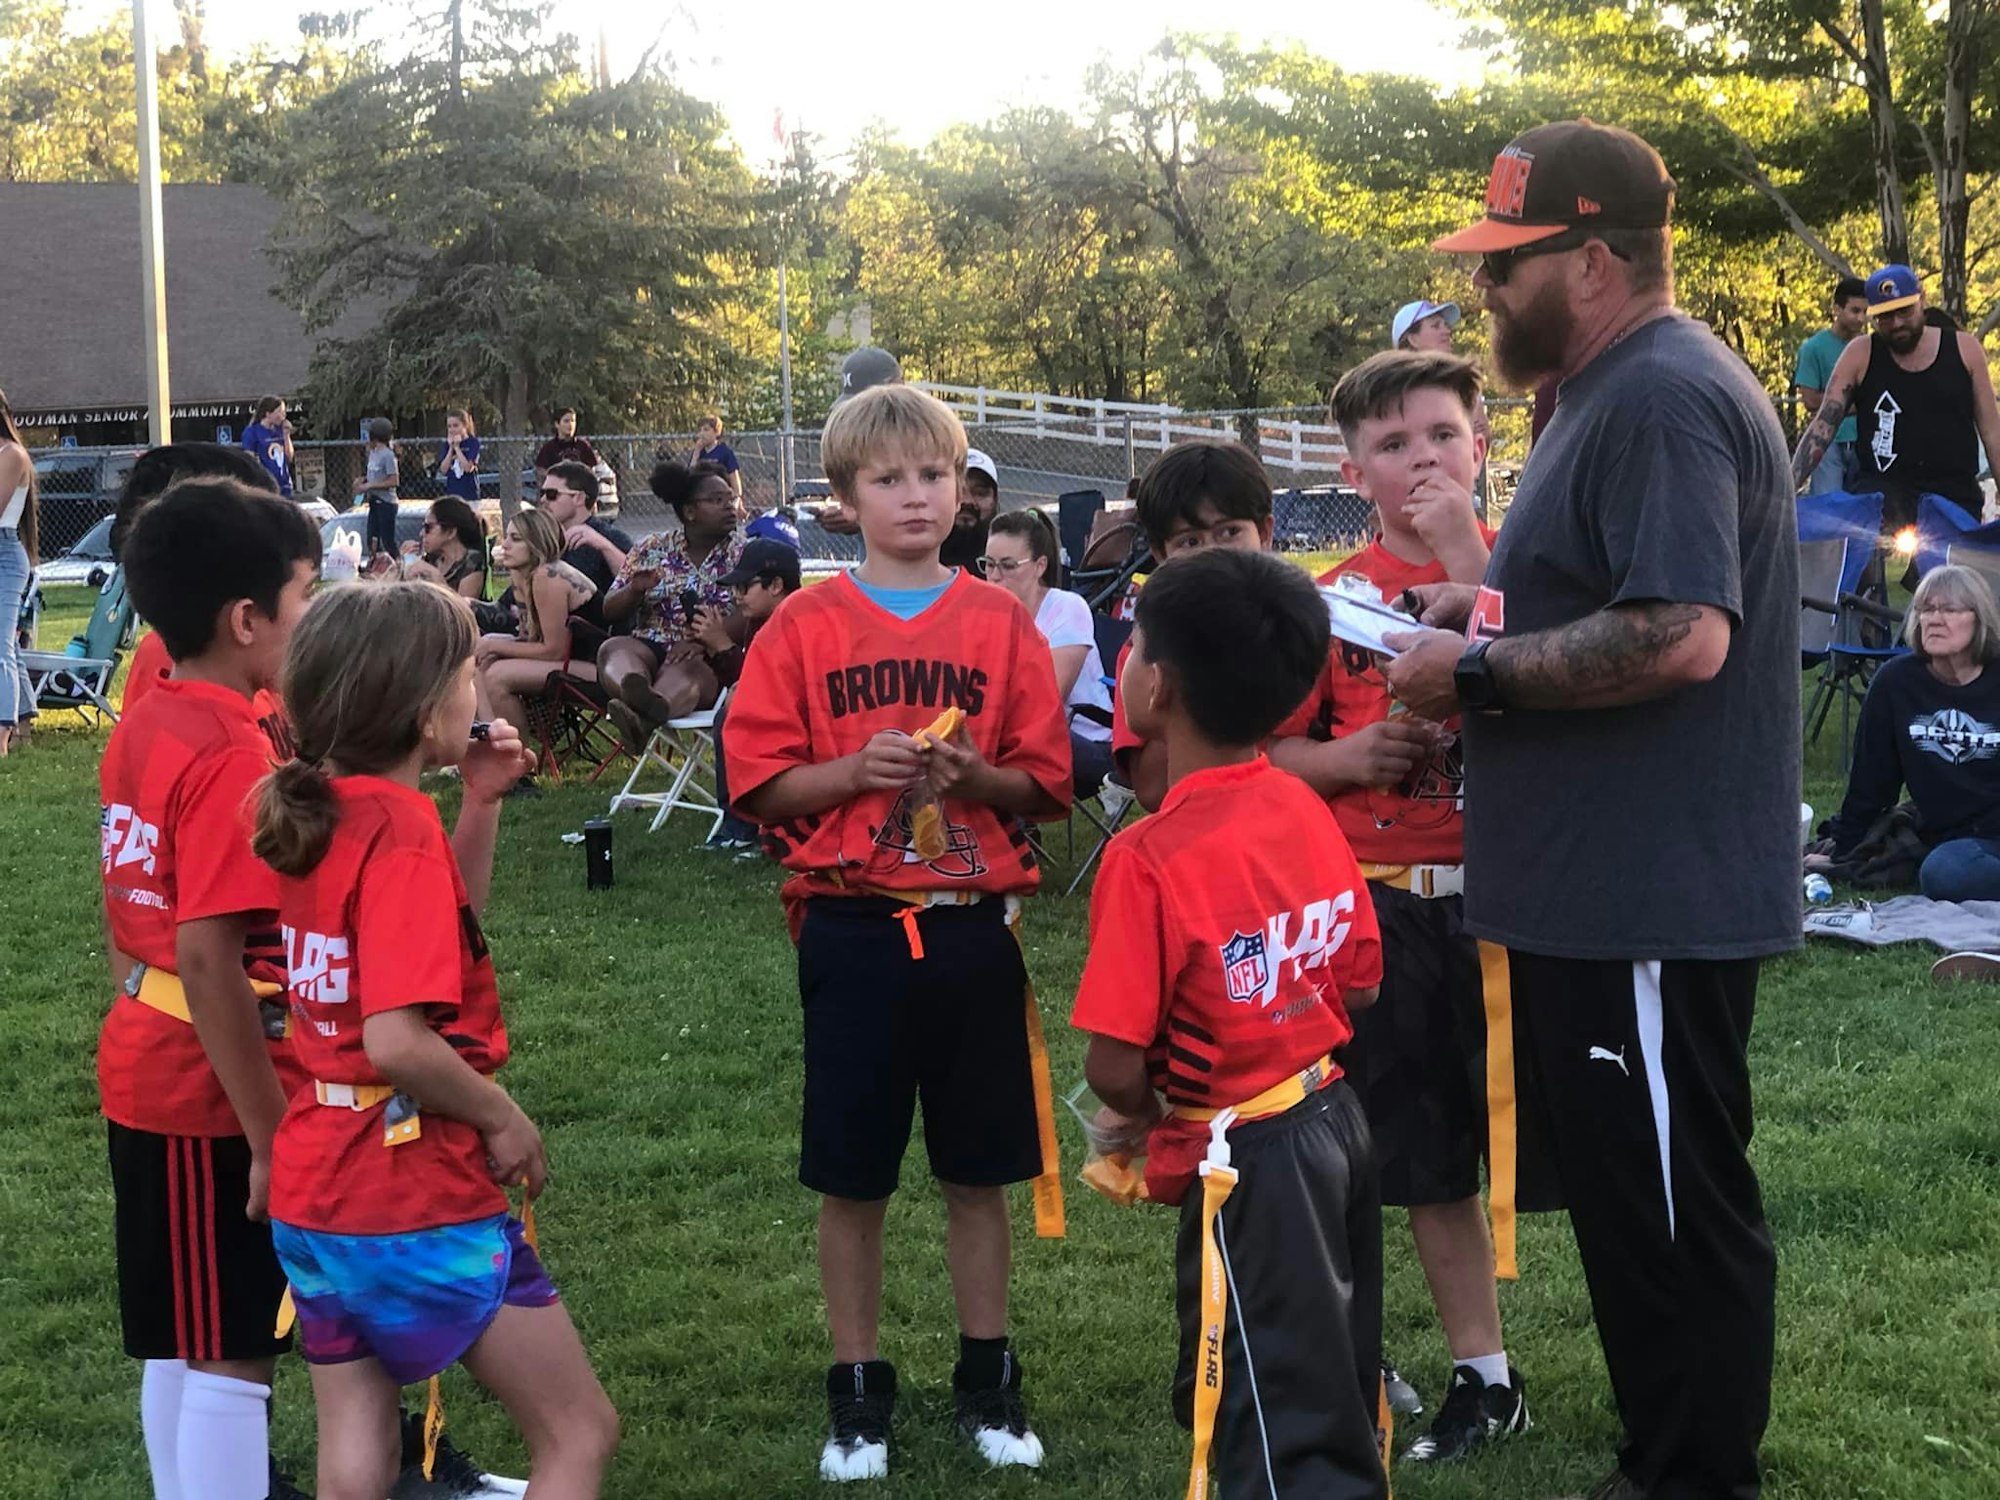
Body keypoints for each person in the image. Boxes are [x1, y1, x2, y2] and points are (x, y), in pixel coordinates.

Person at [1384, 119, 1798, 1500]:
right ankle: (1660, 1460)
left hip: (1647, 895)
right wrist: (1483, 604)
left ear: (1599, 257)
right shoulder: (1600, 389)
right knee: (1634, 1202)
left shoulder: (1660, 394)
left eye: (1512, 263)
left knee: (1674, 1204)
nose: (1489, 291)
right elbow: (1605, 595)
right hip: (1596, 892)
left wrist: (1480, 670)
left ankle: (1694, 1477)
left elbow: (1684, 633)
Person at [724, 384, 1071, 1484]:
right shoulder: (803, 625)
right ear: (845, 499)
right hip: (855, 927)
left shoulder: (998, 622)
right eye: (888, 479)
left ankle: (987, 1374)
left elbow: (1048, 786)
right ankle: (858, 1387)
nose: (914, 496)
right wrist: (848, 771)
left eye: (932, 476)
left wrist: (978, 776)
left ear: (962, 491)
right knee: (854, 1177)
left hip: (971, 928)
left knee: (978, 1171)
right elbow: (759, 788)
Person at [252, 582, 618, 1499]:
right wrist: (503, 1116)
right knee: (578, 1431)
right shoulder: (399, 832)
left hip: (317, 1183)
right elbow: (397, 1037)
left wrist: (481, 804)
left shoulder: (320, 813)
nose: (480, 693)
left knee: (358, 1448)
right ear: (426, 717)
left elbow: (430, 948)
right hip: (406, 1185)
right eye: (467, 675)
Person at [1269, 348, 1549, 1465]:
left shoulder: (1536, 572)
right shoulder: (1326, 599)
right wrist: (1347, 757)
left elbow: (1559, 695)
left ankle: (1522, 1368)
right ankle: (1472, 1373)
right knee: (1413, 1155)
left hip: (1516, 904)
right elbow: (1266, 750)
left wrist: (1469, 561)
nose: (1420, 459)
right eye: (1391, 445)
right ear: (1353, 470)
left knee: (1550, 1150)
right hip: (1382, 910)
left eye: (1440, 435)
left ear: (1483, 447)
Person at [1072, 547, 1386, 1500]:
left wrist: (1139, 1108)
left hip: (1248, 1154)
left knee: (1274, 1416)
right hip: (1335, 1120)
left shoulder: (1147, 854)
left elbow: (1116, 1063)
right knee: (1325, 1371)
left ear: (1156, 684)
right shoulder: (1300, 801)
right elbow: (1361, 984)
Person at [96, 479, 321, 1500]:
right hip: (204, 1093)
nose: (312, 617)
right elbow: (206, 957)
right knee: (232, 1350)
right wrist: (271, 1133)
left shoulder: (151, 715)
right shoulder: (232, 748)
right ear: (247, 620)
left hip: (154, 1064)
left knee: (182, 1340)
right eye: (306, 597)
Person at [1808, 564, 2000, 900]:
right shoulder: (1896, 683)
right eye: (1927, 609)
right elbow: (1871, 780)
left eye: (1949, 609)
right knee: (1943, 873)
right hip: (1955, 842)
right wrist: (1844, 849)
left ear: (1979, 618)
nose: (1934, 619)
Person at [1108, 438, 1277, 815]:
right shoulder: (1148, 649)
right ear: (1161, 555)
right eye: (1190, 541)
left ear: (1265, 533)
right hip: (1202, 832)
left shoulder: (1303, 628)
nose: (1211, 553)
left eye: (1229, 532)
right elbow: (1151, 790)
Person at [1793, 264, 2000, 535]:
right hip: (1882, 496)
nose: (1897, 323)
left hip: (1953, 494)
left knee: (1949, 573)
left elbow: (1992, 433)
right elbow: (1822, 428)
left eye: (1905, 311)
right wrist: (1787, 486)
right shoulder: (1860, 354)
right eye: (1885, 317)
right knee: (1861, 556)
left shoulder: (1964, 349)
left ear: (1922, 300)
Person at [596, 460, 742, 745]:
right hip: (650, 649)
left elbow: (750, 612)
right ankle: (637, 697)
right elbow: (609, 610)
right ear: (689, 512)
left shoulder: (743, 552)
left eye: (731, 499)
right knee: (613, 648)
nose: (729, 506)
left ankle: (644, 714)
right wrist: (634, 590)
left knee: (689, 670)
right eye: (716, 500)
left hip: (706, 656)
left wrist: (702, 642)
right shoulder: (652, 547)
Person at [979, 508, 1115, 797]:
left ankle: (1009, 831)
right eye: (988, 564)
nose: (994, 577)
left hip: (1085, 742)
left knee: (987, 744)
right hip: (1019, 738)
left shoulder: (1067, 608)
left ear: (1040, 566)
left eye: (1008, 565)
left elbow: (1047, 699)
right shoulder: (987, 615)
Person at [694, 535, 802, 854]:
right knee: (729, 714)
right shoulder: (759, 621)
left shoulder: (796, 619)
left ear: (776, 585)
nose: (737, 597)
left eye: (745, 587)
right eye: (734, 589)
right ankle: (741, 824)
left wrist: (723, 646)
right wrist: (718, 650)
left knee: (731, 715)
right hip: (777, 711)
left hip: (808, 715)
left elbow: (778, 683)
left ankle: (743, 826)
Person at [475, 507, 597, 739]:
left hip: (599, 668)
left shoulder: (548, 576)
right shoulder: (525, 575)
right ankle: (491, 738)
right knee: (479, 658)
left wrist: (493, 647)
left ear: (537, 543)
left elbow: (554, 651)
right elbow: (530, 637)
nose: (506, 545)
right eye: (507, 536)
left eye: (516, 539)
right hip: (569, 661)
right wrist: (489, 646)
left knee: (497, 674)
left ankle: (516, 758)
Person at [1394, 299, 1494, 513]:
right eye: (1435, 325)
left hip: (1463, 499)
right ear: (1412, 338)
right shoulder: (1394, 392)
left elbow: (1482, 435)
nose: (1446, 331)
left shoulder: (1463, 381)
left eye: (1445, 325)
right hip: (1413, 502)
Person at [529, 461, 630, 630]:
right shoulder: (548, 539)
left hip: (595, 636)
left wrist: (604, 546)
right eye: (543, 493)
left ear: (579, 498)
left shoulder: (607, 537)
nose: (543, 500)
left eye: (552, 494)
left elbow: (638, 578)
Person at [1794, 277, 1870, 495]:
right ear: (1837, 309)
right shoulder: (1813, 348)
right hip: (1828, 445)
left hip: (1865, 442)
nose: (1861, 318)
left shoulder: (1870, 347)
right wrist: (1857, 404)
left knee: (1864, 513)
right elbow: (1810, 400)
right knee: (1828, 511)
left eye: (1865, 312)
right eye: (1854, 311)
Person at [0, 387, 37, 757]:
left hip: (4, 554)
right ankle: (23, 719)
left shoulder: (12, 455)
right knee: (7, 644)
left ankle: (1, 737)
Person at [400, 495, 489, 600]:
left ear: (451, 532)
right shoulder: (433, 558)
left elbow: (463, 611)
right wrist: (403, 567)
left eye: (428, 528)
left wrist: (437, 578)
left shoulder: (472, 562)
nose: (421, 533)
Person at [358, 418, 400, 559]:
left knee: (387, 540)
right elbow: (373, 476)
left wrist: (370, 485)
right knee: (372, 539)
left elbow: (394, 480)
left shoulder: (388, 455)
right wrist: (363, 481)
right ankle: (375, 565)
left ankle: (398, 564)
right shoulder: (373, 453)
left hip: (386, 502)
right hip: (374, 501)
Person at [242, 396, 296, 497]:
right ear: (268, 414)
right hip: (266, 486)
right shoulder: (253, 432)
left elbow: (289, 457)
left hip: (284, 484)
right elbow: (249, 459)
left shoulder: (280, 429)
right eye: (280, 411)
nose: (283, 415)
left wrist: (286, 435)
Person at [431, 408, 482, 504]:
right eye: (449, 426)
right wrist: (451, 448)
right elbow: (443, 469)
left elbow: (468, 468)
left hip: (469, 495)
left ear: (465, 425)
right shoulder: (448, 444)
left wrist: (457, 448)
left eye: (456, 426)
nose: (452, 429)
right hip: (453, 494)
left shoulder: (472, 442)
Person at [689, 414, 743, 501]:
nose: (702, 434)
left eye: (706, 430)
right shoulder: (698, 453)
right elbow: (690, 475)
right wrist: (696, 452)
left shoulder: (725, 452)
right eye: (700, 430)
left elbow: (735, 483)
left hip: (720, 498)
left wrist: (735, 499)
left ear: (716, 432)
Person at [534, 408, 599, 480]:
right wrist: (556, 477)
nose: (570, 425)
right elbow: (541, 469)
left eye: (573, 421)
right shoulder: (549, 447)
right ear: (557, 424)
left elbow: (591, 467)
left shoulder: (583, 445)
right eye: (566, 421)